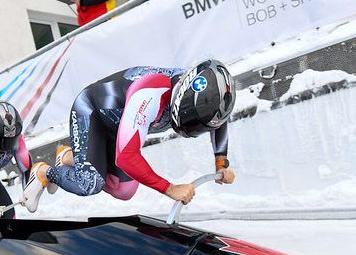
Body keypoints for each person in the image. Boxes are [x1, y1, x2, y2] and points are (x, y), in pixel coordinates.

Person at [21, 60, 236, 211]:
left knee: (124, 190)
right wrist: (169, 188)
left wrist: (221, 163)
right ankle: (45, 172)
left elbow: (218, 119)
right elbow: (126, 156)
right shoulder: (151, 93)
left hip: (121, 124)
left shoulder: (203, 92)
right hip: (92, 111)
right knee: (89, 183)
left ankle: (70, 156)